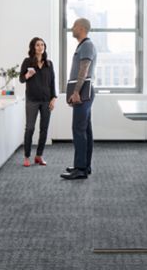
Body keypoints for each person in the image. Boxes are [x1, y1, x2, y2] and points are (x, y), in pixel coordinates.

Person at [61, 18, 96, 180]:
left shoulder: (87, 45)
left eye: (74, 26)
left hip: (83, 93)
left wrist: (76, 92)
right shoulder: (83, 45)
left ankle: (80, 168)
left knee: (79, 130)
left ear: (81, 28)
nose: (72, 28)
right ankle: (84, 166)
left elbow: (84, 70)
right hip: (82, 92)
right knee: (85, 130)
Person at [19, 37, 57, 167]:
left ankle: (39, 156)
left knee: (44, 129)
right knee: (30, 128)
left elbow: (52, 83)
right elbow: (21, 79)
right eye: (37, 45)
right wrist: (27, 75)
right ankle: (27, 156)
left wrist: (54, 98)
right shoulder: (27, 61)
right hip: (32, 100)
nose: (40, 47)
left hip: (46, 100)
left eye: (42, 45)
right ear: (33, 47)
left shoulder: (49, 64)